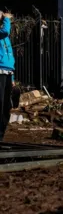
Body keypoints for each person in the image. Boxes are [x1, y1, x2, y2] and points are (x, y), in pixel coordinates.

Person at [0, 11, 15, 141]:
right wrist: (5, 18)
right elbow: (5, 31)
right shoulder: (3, 32)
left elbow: (10, 56)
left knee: (6, 106)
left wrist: (13, 77)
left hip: (8, 72)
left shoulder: (5, 36)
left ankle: (1, 135)